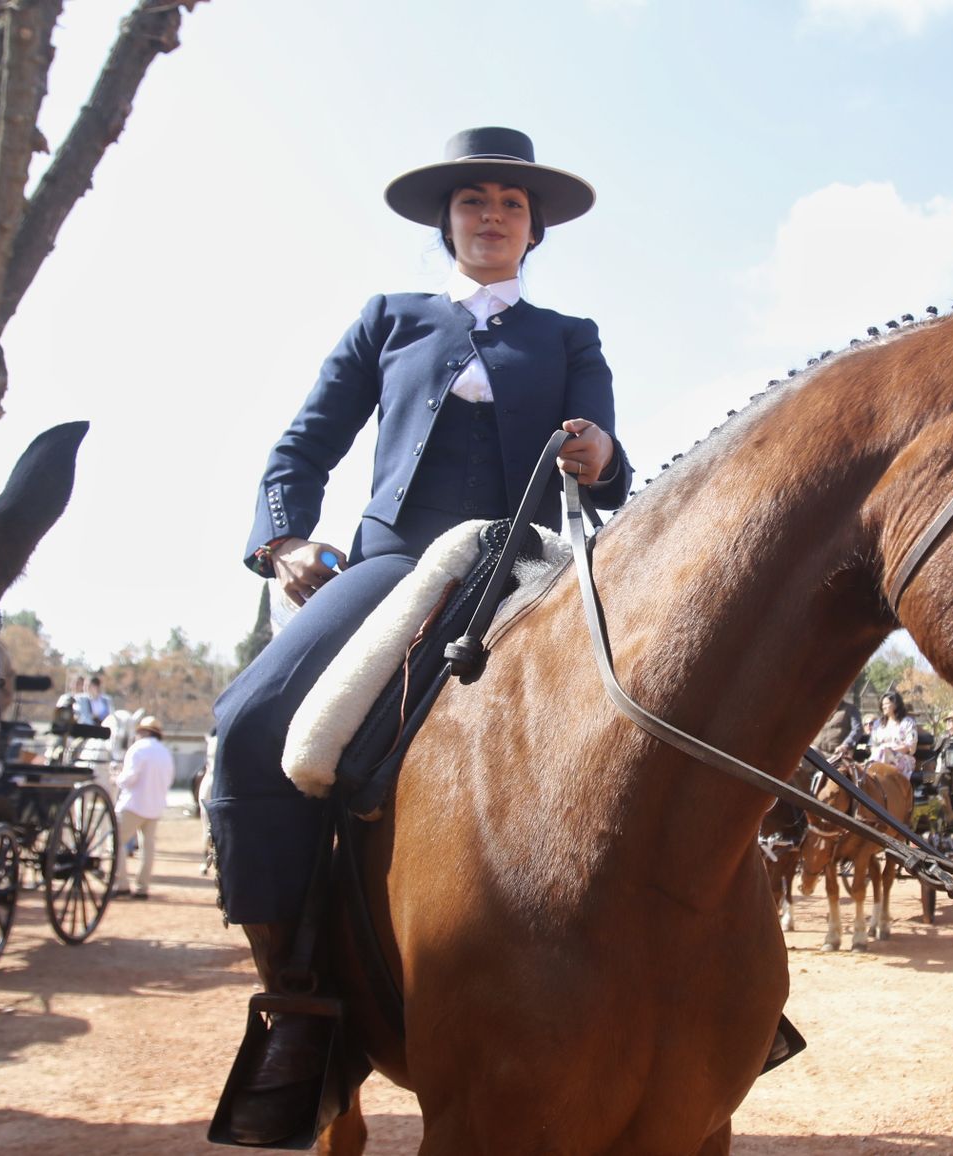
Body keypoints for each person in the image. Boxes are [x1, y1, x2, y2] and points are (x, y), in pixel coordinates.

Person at [204, 126, 632, 1146]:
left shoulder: (570, 334)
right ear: (449, 219)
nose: (492, 214)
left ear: (534, 230)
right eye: (475, 199)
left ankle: (719, 986)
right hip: (398, 563)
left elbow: (612, 468)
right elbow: (301, 446)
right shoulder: (387, 320)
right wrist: (284, 540)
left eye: (511, 203)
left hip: (532, 566)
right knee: (247, 720)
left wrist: (600, 449)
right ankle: (298, 999)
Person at [112, 715, 175, 900]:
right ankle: (142, 887)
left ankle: (122, 884)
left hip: (133, 804)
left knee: (116, 842)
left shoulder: (138, 749)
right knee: (148, 848)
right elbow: (169, 779)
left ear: (143, 732)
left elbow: (129, 777)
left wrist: (116, 778)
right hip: (155, 806)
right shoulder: (165, 752)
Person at [868, 691, 919, 780]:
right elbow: (873, 745)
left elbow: (910, 746)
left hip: (901, 757)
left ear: (896, 704)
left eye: (887, 703)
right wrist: (881, 752)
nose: (883, 706)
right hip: (879, 756)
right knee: (882, 752)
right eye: (882, 704)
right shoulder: (877, 724)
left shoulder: (907, 722)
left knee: (884, 752)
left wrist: (890, 752)